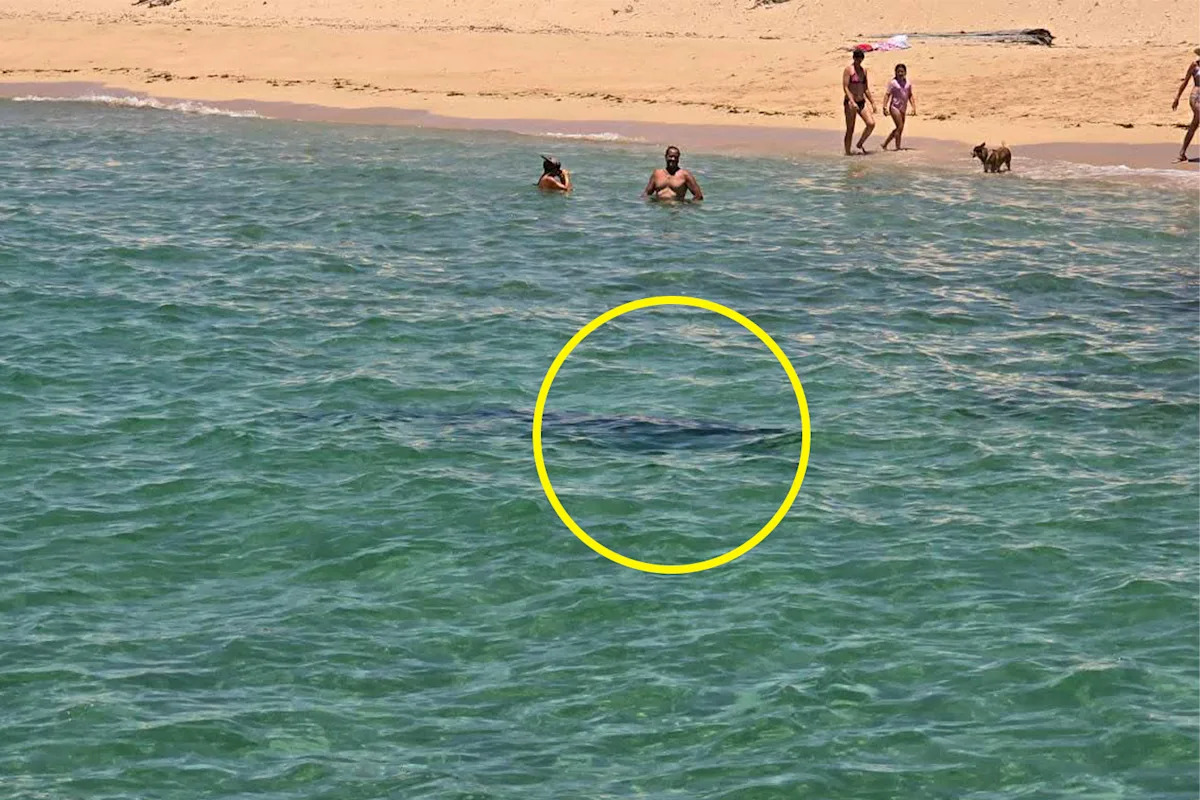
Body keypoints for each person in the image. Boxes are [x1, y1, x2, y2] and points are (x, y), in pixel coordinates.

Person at [842, 48, 877, 155]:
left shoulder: (863, 71)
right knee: (850, 129)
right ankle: (847, 153)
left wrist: (872, 102)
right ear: (854, 58)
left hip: (861, 101)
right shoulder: (848, 70)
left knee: (871, 124)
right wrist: (852, 101)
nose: (858, 61)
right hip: (850, 102)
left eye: (860, 59)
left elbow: (865, 88)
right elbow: (846, 87)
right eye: (857, 59)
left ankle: (860, 143)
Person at [1170, 48, 1200, 162]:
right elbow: (1185, 81)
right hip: (1196, 97)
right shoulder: (1195, 65)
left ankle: (1182, 153)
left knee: (1194, 124)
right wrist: (1177, 97)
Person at [880, 63, 917, 151]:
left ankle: (885, 144)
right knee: (899, 126)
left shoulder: (908, 83)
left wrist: (913, 107)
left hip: (903, 108)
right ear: (895, 72)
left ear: (905, 72)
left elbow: (910, 95)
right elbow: (887, 95)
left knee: (900, 128)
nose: (900, 73)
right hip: (894, 107)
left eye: (902, 72)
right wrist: (884, 107)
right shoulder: (893, 83)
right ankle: (897, 147)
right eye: (898, 72)